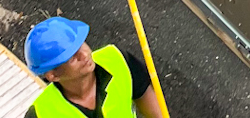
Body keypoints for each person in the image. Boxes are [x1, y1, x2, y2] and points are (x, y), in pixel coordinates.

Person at [23, 18, 165, 117]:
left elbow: (142, 91)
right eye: (72, 57)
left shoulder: (117, 59)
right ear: (53, 75)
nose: (84, 54)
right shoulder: (41, 114)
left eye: (81, 44)